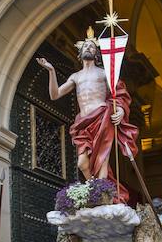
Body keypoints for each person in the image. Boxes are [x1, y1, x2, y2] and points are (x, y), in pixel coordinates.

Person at [36, 30, 138, 200]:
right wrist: (51, 71)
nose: (89, 48)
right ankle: (97, 191)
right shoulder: (75, 76)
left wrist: (119, 110)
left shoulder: (104, 73)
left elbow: (119, 93)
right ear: (80, 53)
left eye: (92, 46)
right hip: (83, 124)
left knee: (102, 159)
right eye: (86, 46)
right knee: (82, 163)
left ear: (97, 53)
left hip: (102, 118)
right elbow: (54, 95)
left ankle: (101, 196)